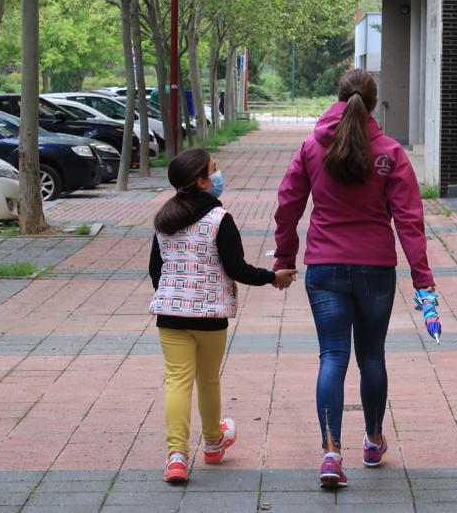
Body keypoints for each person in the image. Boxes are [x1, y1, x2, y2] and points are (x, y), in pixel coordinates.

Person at [273, 69, 434, 488]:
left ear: (339, 97)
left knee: (332, 357)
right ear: (373, 104)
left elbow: (288, 205)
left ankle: (330, 453)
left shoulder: (312, 147)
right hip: (376, 269)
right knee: (372, 357)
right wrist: (423, 280)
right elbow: (409, 221)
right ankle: (374, 440)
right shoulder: (390, 152)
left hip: (324, 268)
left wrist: (285, 258)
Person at [150, 148, 297, 484]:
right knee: (209, 379)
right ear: (202, 181)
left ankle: (176, 457)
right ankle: (214, 443)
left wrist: (174, 297)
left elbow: (155, 270)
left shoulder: (165, 219)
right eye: (214, 169)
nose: (219, 174)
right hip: (210, 317)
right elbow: (237, 269)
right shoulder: (220, 219)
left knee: (177, 381)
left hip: (170, 316)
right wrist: (274, 276)